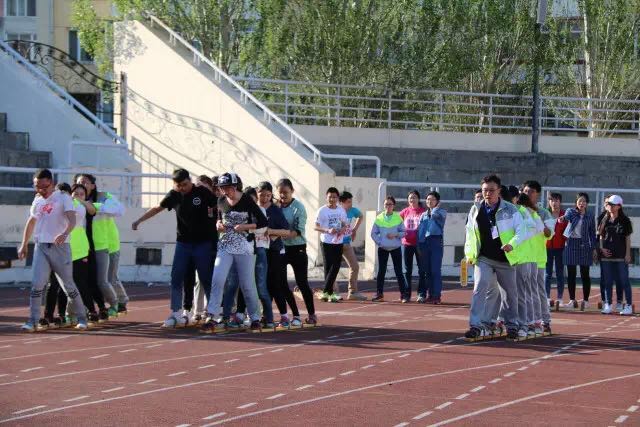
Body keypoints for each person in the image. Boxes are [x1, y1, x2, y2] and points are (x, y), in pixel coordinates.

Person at [132, 168, 216, 327]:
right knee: (176, 277)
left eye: (185, 184)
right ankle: (176, 313)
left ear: (190, 180)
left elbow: (219, 205)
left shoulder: (202, 192)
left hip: (203, 243)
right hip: (183, 243)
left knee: (206, 278)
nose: (182, 188)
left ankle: (213, 313)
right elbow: (157, 208)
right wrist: (139, 221)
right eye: (179, 185)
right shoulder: (174, 195)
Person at [18, 169, 89, 332]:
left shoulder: (63, 197)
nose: (40, 190)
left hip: (60, 247)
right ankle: (32, 321)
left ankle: (82, 317)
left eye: (44, 187)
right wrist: (24, 244)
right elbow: (31, 221)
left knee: (68, 285)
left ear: (51, 183)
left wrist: (65, 233)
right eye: (37, 186)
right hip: (41, 246)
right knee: (37, 284)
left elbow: (71, 218)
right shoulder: (37, 200)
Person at [200, 173, 268, 333]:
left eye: (227, 188)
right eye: (222, 188)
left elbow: (263, 222)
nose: (224, 191)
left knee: (247, 284)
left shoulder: (247, 200)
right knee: (217, 279)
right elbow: (219, 217)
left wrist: (245, 227)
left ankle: (255, 318)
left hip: (244, 247)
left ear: (235, 186)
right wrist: (218, 224)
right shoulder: (221, 200)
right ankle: (212, 316)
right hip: (225, 246)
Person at [464, 174, 526, 341]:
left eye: (491, 190)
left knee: (509, 294)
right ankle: (475, 326)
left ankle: (512, 326)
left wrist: (512, 244)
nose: (488, 193)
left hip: (505, 259)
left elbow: (522, 231)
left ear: (499, 190)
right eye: (485, 190)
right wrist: (469, 254)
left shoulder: (511, 210)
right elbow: (470, 233)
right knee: (479, 287)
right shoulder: (475, 209)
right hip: (484, 257)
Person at [75, 174, 120, 320]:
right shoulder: (72, 205)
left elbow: (117, 209)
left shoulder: (101, 200)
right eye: (79, 183)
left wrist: (89, 204)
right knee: (79, 281)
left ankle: (115, 304)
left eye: (85, 183)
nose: (82, 185)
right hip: (81, 248)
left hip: (100, 246)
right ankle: (74, 312)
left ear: (93, 186)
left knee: (102, 280)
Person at [277, 178, 317, 326]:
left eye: (286, 192)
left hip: (297, 248)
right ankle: (295, 315)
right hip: (281, 249)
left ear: (292, 191)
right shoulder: (276, 206)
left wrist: (280, 233)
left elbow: (298, 231)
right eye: (280, 193)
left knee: (302, 283)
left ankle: (312, 314)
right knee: (281, 283)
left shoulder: (298, 207)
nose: (283, 195)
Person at [257, 181, 295, 328]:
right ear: (257, 193)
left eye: (268, 195)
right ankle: (265, 315)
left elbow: (286, 231)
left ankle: (284, 316)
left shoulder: (275, 210)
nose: (265, 198)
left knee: (274, 284)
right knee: (261, 285)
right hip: (258, 250)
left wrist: (271, 231)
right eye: (262, 195)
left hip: (274, 251)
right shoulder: (254, 208)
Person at [522, 180, 554, 335]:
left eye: (531, 191)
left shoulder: (544, 213)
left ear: (538, 194)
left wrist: (537, 220)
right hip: (522, 258)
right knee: (523, 292)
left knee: (539, 291)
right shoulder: (518, 211)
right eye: (526, 191)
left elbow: (549, 234)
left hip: (538, 258)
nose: (528, 194)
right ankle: (527, 321)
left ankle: (545, 321)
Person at [560, 192, 597, 310]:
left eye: (584, 201)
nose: (582, 203)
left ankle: (586, 301)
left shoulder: (590, 215)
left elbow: (592, 232)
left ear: (587, 203)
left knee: (585, 273)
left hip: (585, 245)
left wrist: (594, 248)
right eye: (580, 201)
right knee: (571, 273)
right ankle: (572, 300)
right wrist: (562, 218)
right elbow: (565, 217)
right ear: (576, 203)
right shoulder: (571, 212)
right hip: (571, 244)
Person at [598, 195, 633, 315]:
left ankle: (628, 306)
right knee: (607, 282)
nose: (610, 206)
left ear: (619, 206)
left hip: (620, 256)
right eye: (609, 204)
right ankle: (608, 305)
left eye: (612, 205)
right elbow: (601, 235)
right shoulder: (604, 219)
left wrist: (627, 254)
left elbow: (627, 238)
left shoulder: (625, 220)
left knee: (624, 281)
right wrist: (601, 248)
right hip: (606, 257)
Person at [315, 187, 348, 302]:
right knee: (328, 267)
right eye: (330, 197)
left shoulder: (341, 210)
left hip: (338, 241)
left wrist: (342, 229)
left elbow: (345, 224)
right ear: (326, 197)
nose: (332, 199)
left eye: (334, 197)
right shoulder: (322, 210)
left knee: (336, 266)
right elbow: (316, 226)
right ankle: (328, 293)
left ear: (338, 198)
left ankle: (325, 292)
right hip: (326, 242)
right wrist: (327, 230)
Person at [371, 196, 407, 302]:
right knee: (381, 272)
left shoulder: (398, 218)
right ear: (383, 205)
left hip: (396, 248)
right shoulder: (379, 218)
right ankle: (379, 294)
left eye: (390, 204)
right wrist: (380, 242)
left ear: (393, 206)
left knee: (398, 271)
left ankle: (403, 295)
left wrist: (395, 234)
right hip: (383, 248)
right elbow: (373, 233)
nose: (388, 206)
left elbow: (404, 232)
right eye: (386, 204)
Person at [417, 191, 447, 304]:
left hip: (436, 241)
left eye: (432, 199)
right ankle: (430, 294)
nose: (429, 201)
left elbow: (435, 217)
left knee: (435, 270)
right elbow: (420, 230)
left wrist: (435, 209)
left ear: (437, 201)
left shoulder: (441, 212)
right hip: (424, 243)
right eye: (428, 199)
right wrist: (419, 244)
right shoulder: (423, 215)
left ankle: (436, 295)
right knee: (427, 270)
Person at [339, 191, 366, 301]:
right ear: (341, 202)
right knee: (333, 268)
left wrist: (354, 229)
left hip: (346, 243)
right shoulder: (336, 211)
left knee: (355, 266)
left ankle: (352, 292)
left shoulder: (352, 210)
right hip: (335, 244)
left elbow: (360, 216)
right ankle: (333, 292)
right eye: (348, 202)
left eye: (351, 201)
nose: (350, 204)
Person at [400, 191, 426, 302]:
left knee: (422, 270)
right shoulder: (404, 212)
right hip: (407, 244)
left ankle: (421, 294)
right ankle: (406, 295)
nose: (412, 200)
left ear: (418, 199)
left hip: (420, 244)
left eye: (414, 197)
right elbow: (396, 223)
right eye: (410, 198)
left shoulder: (423, 212)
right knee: (407, 270)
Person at [545, 193, 567, 305]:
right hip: (546, 247)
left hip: (560, 248)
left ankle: (560, 298)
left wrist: (565, 241)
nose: (554, 203)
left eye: (556, 200)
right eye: (552, 200)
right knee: (547, 274)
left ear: (560, 202)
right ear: (549, 202)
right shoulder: (545, 214)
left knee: (560, 273)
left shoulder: (564, 215)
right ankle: (547, 298)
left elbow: (567, 231)